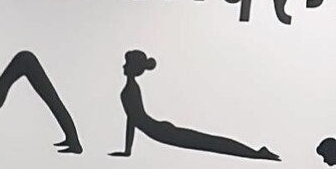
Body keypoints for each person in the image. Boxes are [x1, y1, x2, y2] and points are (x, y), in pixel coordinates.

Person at [110, 51, 279, 160]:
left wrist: (127, 150)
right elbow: (133, 120)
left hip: (160, 132)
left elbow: (133, 120)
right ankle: (255, 153)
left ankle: (255, 153)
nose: (123, 66)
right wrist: (127, 150)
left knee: (210, 143)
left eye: (127, 63)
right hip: (158, 131)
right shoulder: (131, 88)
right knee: (209, 142)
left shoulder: (131, 89)